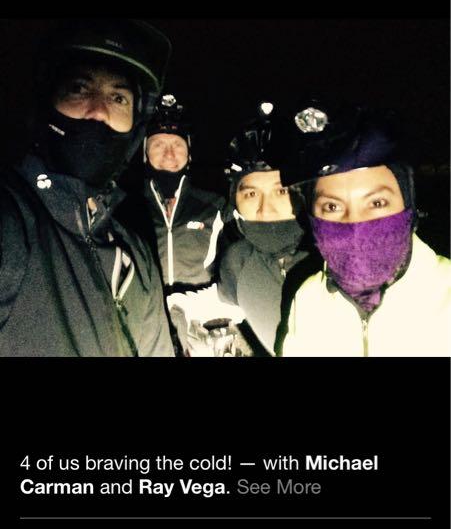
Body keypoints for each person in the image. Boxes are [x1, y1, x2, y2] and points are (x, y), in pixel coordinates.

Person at [0, 18, 175, 357]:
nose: (98, 111)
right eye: (80, 89)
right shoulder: (12, 221)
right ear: (46, 101)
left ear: (135, 124)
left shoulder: (135, 252)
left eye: (118, 98)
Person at [280, 104, 451, 357]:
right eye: (332, 206)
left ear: (409, 204)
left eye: (376, 203)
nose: (355, 224)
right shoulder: (307, 299)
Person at [118, 93, 230, 355]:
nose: (169, 152)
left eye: (178, 144)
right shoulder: (125, 206)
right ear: (145, 153)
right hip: (144, 321)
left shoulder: (214, 205)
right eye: (158, 144)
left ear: (189, 152)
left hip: (202, 324)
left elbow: (238, 264)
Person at [217, 102, 317, 356]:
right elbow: (228, 312)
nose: (265, 209)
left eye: (281, 191)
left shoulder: (335, 259)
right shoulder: (236, 260)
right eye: (251, 193)